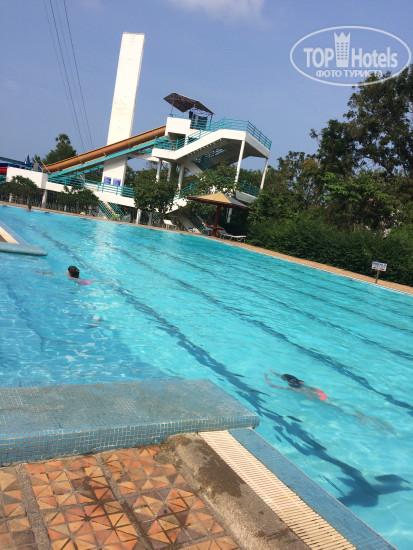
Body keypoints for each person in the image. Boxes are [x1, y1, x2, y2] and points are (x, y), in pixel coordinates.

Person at [264, 370, 393, 433]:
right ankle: (367, 418)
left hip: (321, 400)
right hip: (323, 396)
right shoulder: (301, 383)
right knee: (344, 407)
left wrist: (267, 377)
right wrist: (274, 373)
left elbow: (273, 385)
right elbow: (288, 378)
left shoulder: (292, 388)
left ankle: (363, 420)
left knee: (342, 410)